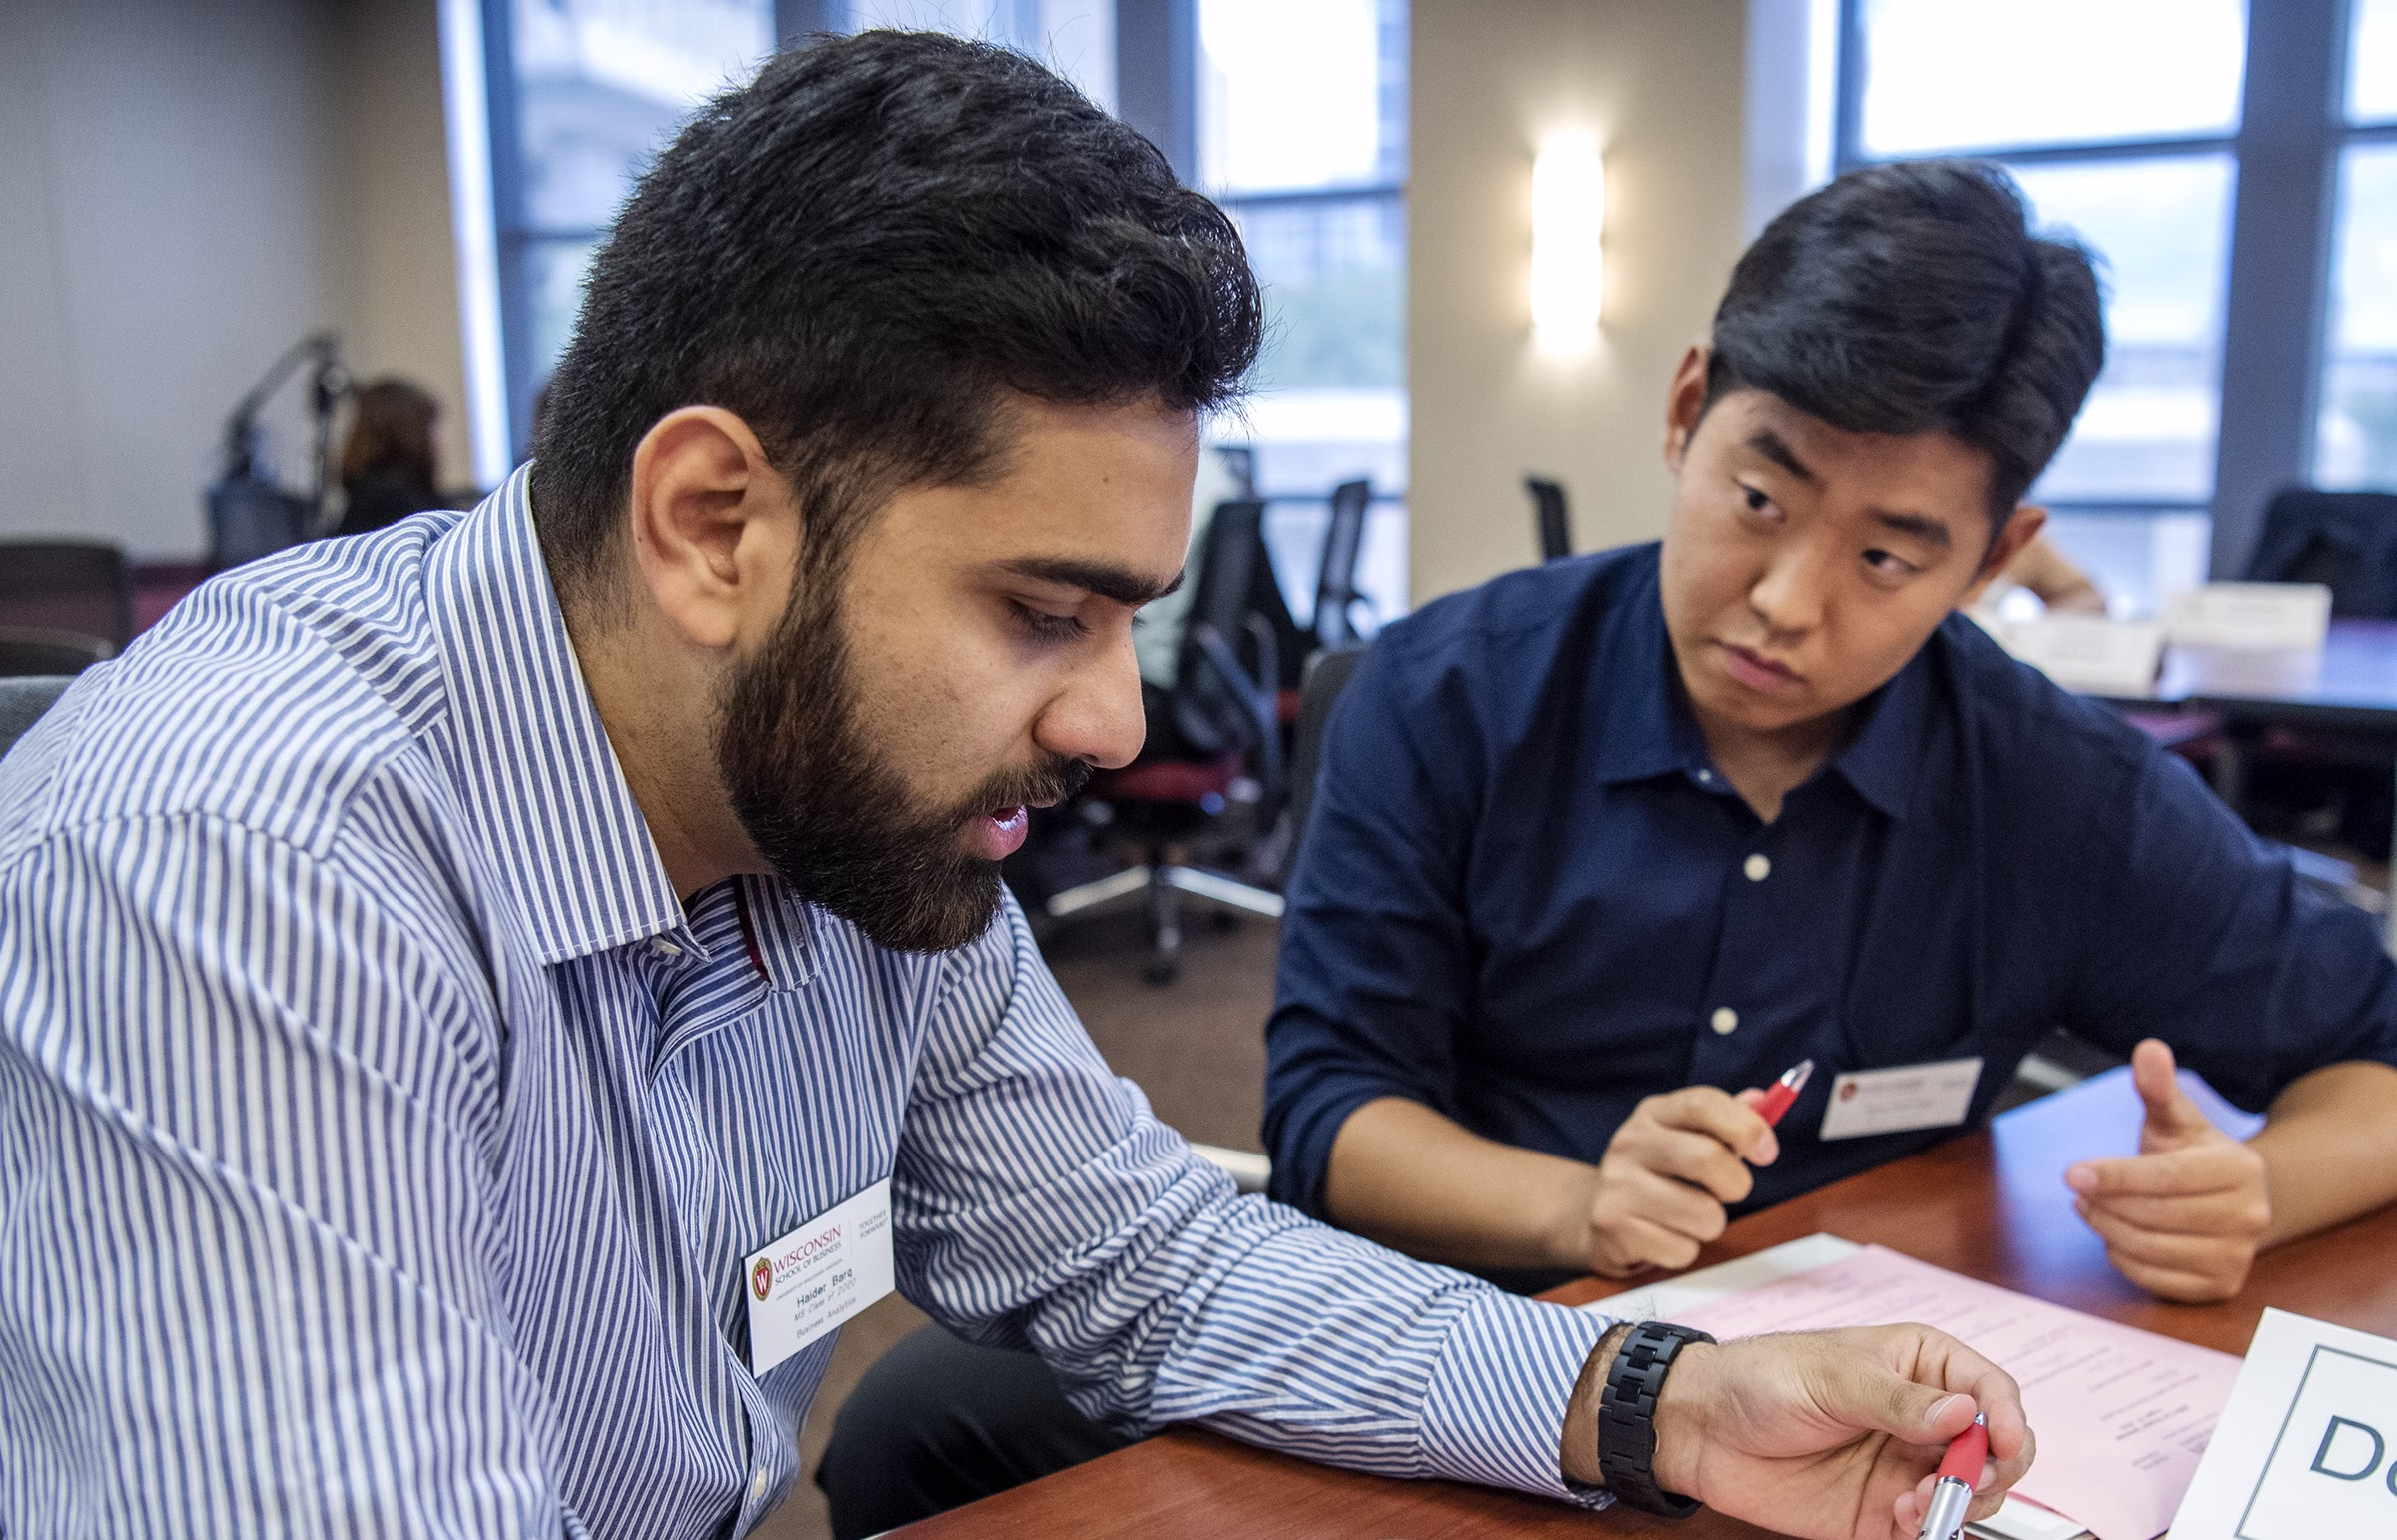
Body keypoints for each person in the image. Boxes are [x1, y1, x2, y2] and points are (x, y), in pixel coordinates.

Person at [0, 37, 2032, 1540]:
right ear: (715, 521)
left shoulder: (847, 808)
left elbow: (1146, 1253)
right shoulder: (243, 861)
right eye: (1044, 609)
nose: (1117, 730)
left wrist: (1652, 1399)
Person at [1265, 159, 2397, 1305]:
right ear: (1684, 411)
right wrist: (1578, 1205)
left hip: (1870, 1386)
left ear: (1993, 561)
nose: (1787, 604)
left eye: (1884, 560)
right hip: (1487, 1350)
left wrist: (2259, 1190)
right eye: (1760, 501)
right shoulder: (1445, 696)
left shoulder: (2054, 786)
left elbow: (2379, 1048)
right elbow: (1330, 1111)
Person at [333, 376, 451, 536]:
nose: (440, 441)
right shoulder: (410, 507)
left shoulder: (361, 499)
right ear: (413, 434)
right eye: (433, 430)